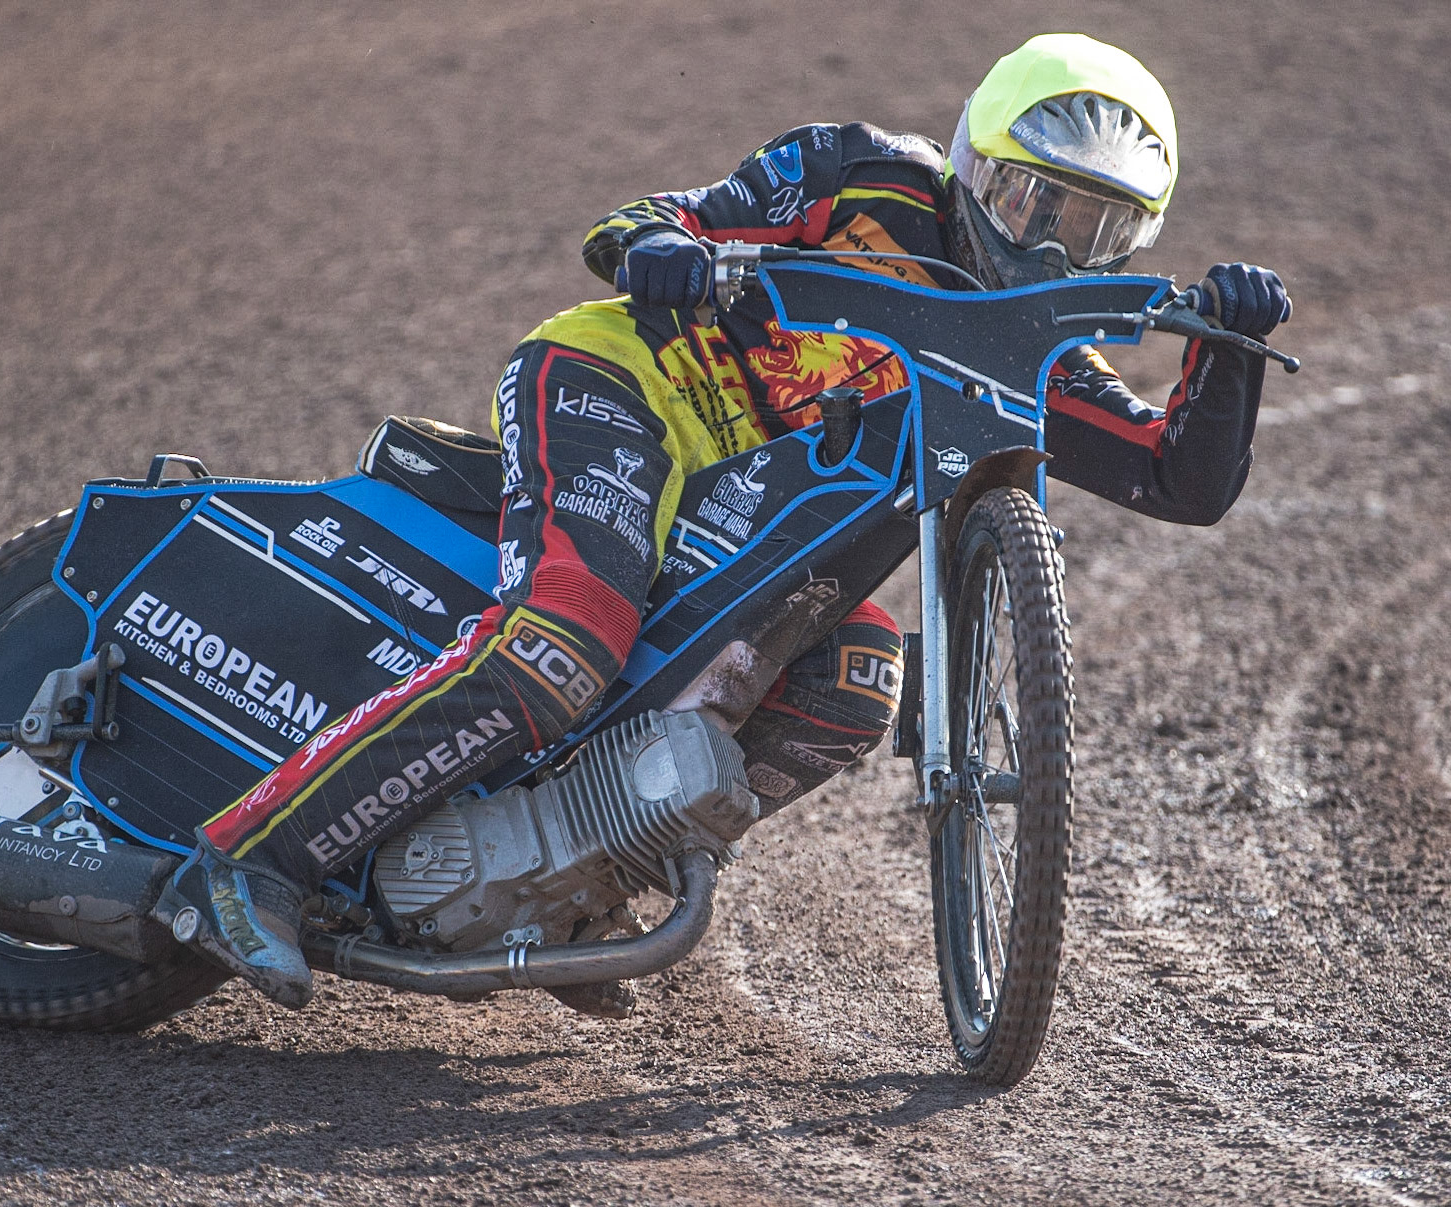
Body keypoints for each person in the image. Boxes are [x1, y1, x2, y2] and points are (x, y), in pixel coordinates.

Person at [158, 32, 1291, 1013]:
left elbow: (1179, 481)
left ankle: (571, 895)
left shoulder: (1035, 357)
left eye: (1095, 233)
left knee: (855, 675)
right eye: (1032, 201)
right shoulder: (855, 171)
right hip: (626, 385)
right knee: (562, 644)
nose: (1048, 247)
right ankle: (245, 860)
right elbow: (642, 220)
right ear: (970, 162)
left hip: (728, 512)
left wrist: (1227, 351)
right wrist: (669, 254)